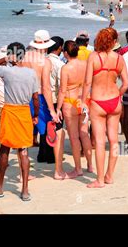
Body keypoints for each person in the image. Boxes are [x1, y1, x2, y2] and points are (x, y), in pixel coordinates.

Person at [0, 42, 40, 201]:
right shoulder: (31, 73)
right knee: (23, 151)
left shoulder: (6, 70)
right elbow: (35, 98)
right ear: (23, 55)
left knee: (4, 149)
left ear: (11, 55)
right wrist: (35, 115)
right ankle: (24, 190)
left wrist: (4, 59)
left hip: (10, 111)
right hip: (24, 111)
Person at [82, 28, 128, 188]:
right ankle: (110, 175)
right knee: (114, 140)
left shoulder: (94, 57)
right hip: (114, 101)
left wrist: (83, 101)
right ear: (114, 41)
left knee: (100, 142)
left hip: (98, 102)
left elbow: (87, 83)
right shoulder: (119, 58)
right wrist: (119, 95)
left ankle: (100, 180)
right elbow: (126, 84)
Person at [56, 41, 93, 179]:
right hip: (84, 100)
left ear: (65, 53)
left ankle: (78, 169)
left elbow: (62, 90)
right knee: (84, 134)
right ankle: (90, 165)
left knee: (74, 137)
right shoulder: (85, 64)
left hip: (70, 102)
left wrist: (58, 108)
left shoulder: (66, 68)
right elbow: (90, 83)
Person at [23, 30, 60, 163]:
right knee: (47, 126)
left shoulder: (24, 57)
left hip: (24, 97)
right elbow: (46, 87)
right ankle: (47, 156)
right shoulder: (45, 62)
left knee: (28, 127)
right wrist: (52, 109)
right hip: (39, 97)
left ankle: (28, 158)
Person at [47, 36, 66, 177]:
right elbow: (61, 87)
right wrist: (59, 106)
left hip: (42, 98)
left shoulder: (42, 61)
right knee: (57, 130)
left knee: (46, 129)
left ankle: (46, 155)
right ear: (59, 48)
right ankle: (57, 165)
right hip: (54, 98)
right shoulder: (59, 64)